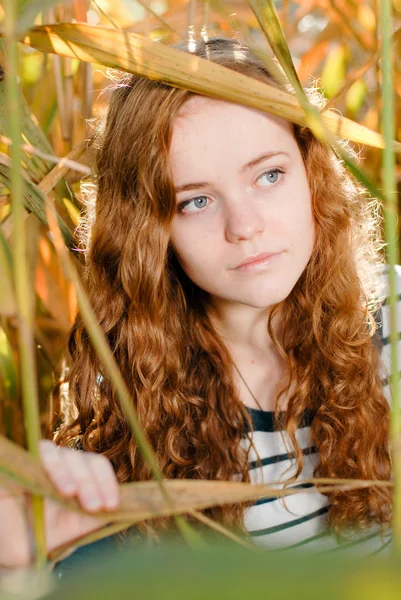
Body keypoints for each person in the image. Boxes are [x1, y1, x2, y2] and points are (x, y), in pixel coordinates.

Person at [0, 37, 395, 574]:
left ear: (311, 174)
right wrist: (29, 563)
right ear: (151, 231)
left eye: (269, 175)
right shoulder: (137, 396)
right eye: (196, 201)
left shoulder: (392, 320)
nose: (245, 226)